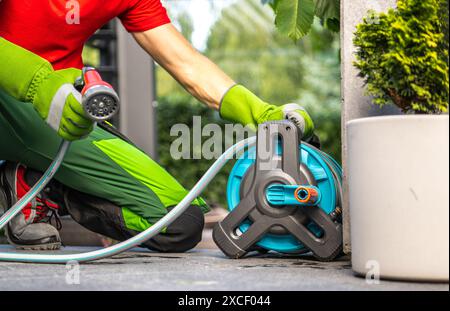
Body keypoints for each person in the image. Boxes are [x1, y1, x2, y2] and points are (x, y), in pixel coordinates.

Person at [0, 0, 315, 251]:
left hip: (60, 114)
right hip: (13, 97)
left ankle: (31, 179)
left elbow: (185, 63)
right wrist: (39, 85)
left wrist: (257, 110)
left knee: (178, 224)